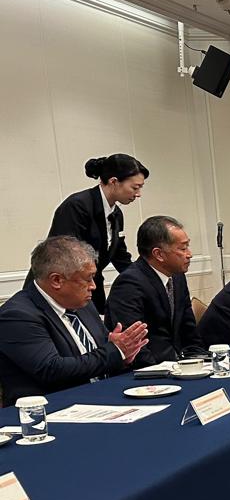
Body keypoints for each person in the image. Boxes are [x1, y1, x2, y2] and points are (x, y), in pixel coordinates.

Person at [0, 238, 148, 405]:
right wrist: (115, 351)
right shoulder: (17, 316)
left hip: (102, 398)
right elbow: (52, 370)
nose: (93, 286)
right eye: (88, 278)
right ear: (56, 280)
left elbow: (102, 358)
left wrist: (123, 357)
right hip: (54, 407)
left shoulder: (82, 304)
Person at [43, 154, 148, 313]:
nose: (138, 193)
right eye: (135, 187)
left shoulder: (116, 214)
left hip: (88, 285)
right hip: (59, 289)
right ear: (114, 182)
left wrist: (144, 280)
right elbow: (65, 256)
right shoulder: (77, 206)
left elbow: (120, 256)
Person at [106, 215, 202, 367]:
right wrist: (162, 372)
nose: (189, 254)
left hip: (180, 365)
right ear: (159, 254)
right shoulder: (129, 284)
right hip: (150, 370)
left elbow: (188, 329)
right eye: (183, 248)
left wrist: (201, 361)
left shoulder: (177, 277)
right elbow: (134, 344)